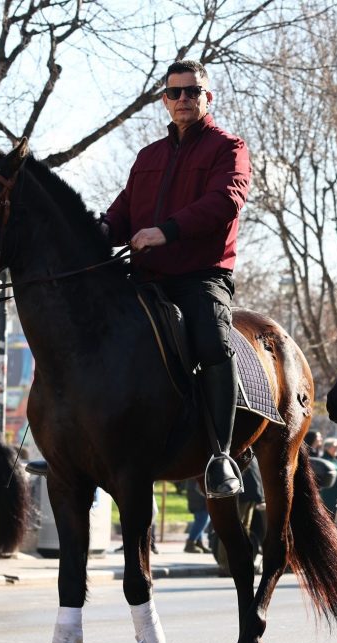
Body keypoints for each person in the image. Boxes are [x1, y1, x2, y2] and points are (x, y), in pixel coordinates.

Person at [101, 59, 251, 498]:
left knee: (212, 341)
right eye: (174, 93)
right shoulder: (148, 156)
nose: (183, 99)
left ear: (208, 97)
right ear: (164, 101)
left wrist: (165, 232)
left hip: (200, 276)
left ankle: (221, 455)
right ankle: (74, 443)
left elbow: (226, 202)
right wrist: (100, 233)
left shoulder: (229, 148)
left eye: (192, 92)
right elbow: (123, 211)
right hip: (145, 275)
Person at [184, 479, 209, 553]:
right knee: (202, 519)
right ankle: (190, 543)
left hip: (196, 491)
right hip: (198, 493)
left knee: (200, 519)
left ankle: (198, 542)